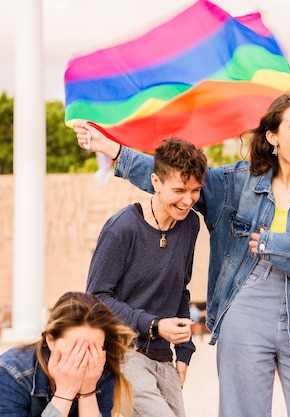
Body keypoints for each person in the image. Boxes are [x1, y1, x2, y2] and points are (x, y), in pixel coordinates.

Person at [74, 93, 290, 417]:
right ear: (272, 136)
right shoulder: (237, 182)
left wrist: (275, 246)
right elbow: (173, 177)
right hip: (245, 311)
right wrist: (111, 148)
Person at [84, 137, 208, 417]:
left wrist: (184, 350)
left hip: (164, 357)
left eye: (195, 190)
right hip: (122, 354)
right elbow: (95, 299)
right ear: (156, 181)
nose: (188, 200)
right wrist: (154, 325)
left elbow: (181, 289)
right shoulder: (122, 227)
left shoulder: (190, 225)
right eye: (179, 190)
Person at [0, 291, 135, 417]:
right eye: (74, 348)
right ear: (50, 340)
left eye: (93, 349)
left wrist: (88, 392)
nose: (83, 358)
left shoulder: (100, 370)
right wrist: (64, 394)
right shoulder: (13, 371)